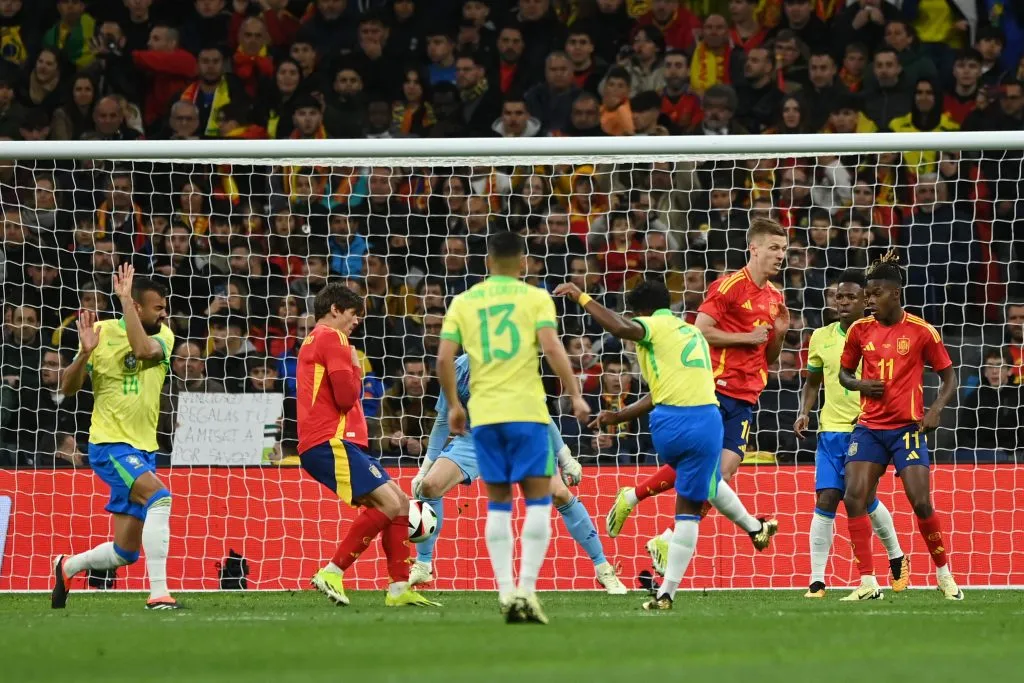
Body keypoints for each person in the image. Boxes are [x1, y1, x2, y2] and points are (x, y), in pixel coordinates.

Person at [554, 279, 747, 610]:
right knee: (701, 493)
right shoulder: (688, 331)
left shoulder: (654, 325)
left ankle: (642, 509)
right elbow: (659, 392)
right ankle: (670, 579)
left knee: (706, 483)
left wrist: (582, 297)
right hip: (708, 418)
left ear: (640, 311)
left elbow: (620, 327)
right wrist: (618, 416)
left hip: (676, 422)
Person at [436, 231, 589, 624]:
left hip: (485, 418)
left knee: (498, 504)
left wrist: (455, 405)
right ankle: (527, 589)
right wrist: (574, 394)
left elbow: (442, 360)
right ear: (522, 262)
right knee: (538, 502)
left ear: (487, 261)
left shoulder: (464, 302)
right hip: (527, 414)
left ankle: (505, 591)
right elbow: (554, 349)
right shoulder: (536, 298)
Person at [603, 218, 789, 538]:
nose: (781, 255)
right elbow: (700, 330)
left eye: (784, 249)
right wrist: (746, 337)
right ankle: (671, 535)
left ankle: (636, 501)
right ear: (753, 249)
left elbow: (766, 355)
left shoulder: (775, 297)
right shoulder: (728, 286)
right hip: (714, 387)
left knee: (722, 475)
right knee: (703, 468)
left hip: (747, 393)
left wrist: (780, 335)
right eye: (774, 248)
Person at [409, 353, 627, 595]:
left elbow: (540, 413)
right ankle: (424, 564)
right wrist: (424, 469)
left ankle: (603, 567)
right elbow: (442, 420)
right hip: (476, 439)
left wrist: (566, 458)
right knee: (429, 486)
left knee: (560, 494)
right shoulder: (457, 369)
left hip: (523, 435)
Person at [301, 283, 439, 609]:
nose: (357, 321)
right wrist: (354, 365)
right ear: (334, 309)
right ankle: (333, 571)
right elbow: (347, 397)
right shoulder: (333, 338)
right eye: (353, 314)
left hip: (342, 442)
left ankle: (399, 588)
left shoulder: (314, 340)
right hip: (330, 440)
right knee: (390, 506)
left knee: (402, 504)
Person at [52, 265, 179, 610]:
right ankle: (159, 594)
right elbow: (66, 388)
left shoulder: (165, 336)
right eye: (158, 307)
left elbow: (142, 351)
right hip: (109, 444)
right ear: (139, 308)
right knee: (161, 498)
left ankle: (68, 565)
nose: (164, 313)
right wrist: (85, 353)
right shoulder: (100, 332)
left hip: (143, 447)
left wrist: (125, 301)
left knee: (125, 553)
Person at [838, 251, 962, 601]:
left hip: (908, 429)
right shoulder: (860, 330)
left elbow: (948, 375)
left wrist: (936, 408)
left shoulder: (922, 332)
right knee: (853, 496)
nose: (869, 300)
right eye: (868, 294)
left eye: (875, 293)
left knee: (921, 502)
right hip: (869, 428)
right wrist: (860, 385)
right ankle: (867, 582)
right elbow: (844, 374)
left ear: (895, 294)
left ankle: (943, 574)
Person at [793, 270, 908, 599]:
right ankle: (816, 582)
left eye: (850, 297)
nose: (842, 302)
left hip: (868, 429)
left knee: (861, 500)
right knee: (826, 498)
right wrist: (804, 411)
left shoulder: (881, 335)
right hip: (831, 431)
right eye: (837, 297)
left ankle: (896, 556)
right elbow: (813, 380)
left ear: (866, 301)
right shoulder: (820, 337)